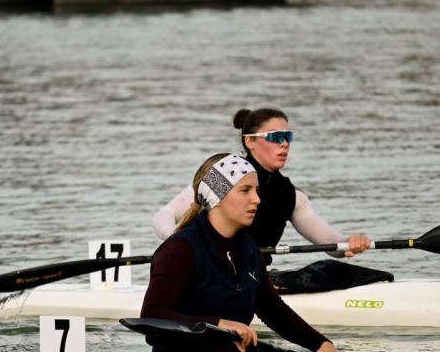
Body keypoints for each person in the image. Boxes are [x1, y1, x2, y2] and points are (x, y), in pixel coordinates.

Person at [138, 153, 371, 352]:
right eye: (245, 190)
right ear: (218, 195)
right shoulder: (179, 249)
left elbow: (273, 310)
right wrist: (218, 324)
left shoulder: (248, 249)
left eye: (256, 190)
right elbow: (153, 315)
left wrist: (321, 344)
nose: (257, 199)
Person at [152, 107, 371, 265]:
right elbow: (164, 214)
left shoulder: (291, 196)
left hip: (253, 279)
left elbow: (331, 244)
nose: (284, 143)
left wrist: (350, 242)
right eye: (276, 137)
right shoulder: (223, 177)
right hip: (206, 273)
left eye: (288, 136)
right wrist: (177, 240)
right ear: (250, 141)